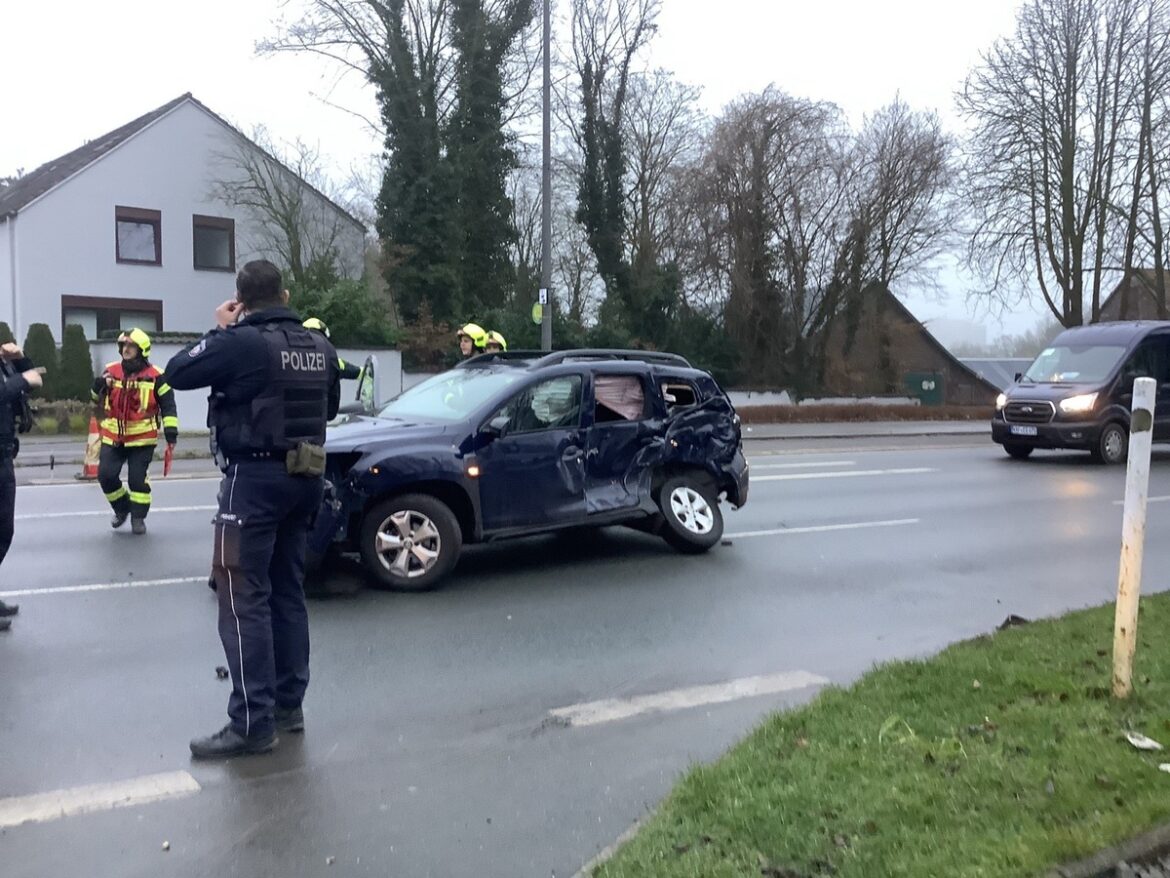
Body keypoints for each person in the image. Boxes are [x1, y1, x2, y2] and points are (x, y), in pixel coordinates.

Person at [164, 260, 340, 759]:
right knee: (287, 592)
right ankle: (289, 707)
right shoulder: (320, 347)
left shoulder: (240, 341)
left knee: (241, 596)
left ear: (241, 299)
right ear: (284, 293)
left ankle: (251, 722)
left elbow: (177, 372)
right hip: (306, 478)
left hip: (253, 482)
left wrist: (222, 326)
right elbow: (326, 410)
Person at [92, 329, 177, 535]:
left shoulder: (157, 376)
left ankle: (138, 518)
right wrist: (101, 384)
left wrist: (171, 433)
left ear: (141, 349)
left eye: (130, 346)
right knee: (106, 476)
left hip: (142, 439)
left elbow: (168, 405)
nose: (125, 349)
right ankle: (122, 509)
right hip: (113, 436)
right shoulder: (110, 370)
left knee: (137, 481)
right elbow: (94, 396)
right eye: (123, 345)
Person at [0, 343, 43, 631]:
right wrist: (22, 380)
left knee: (4, 529)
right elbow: (22, 384)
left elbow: (36, 383)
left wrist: (20, 360)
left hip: (3, 454)